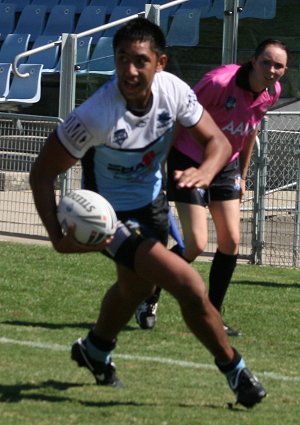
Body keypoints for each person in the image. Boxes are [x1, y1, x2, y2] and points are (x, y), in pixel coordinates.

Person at [30, 18, 266, 408]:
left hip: (152, 205)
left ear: (160, 63)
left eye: (140, 61)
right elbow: (41, 173)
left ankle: (95, 348)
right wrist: (57, 236)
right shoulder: (95, 114)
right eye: (122, 59)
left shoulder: (174, 91)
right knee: (188, 285)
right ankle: (236, 372)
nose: (129, 70)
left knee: (134, 288)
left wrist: (205, 172)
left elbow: (219, 143)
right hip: (113, 218)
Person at [136, 39, 288, 335]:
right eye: (266, 62)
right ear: (253, 61)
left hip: (226, 164)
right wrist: (163, 165)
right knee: (195, 245)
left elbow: (250, 128)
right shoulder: (218, 82)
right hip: (189, 159)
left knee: (231, 240)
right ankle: (149, 295)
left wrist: (242, 176)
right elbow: (182, 115)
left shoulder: (272, 91)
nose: (272, 70)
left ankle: (212, 316)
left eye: (278, 66)